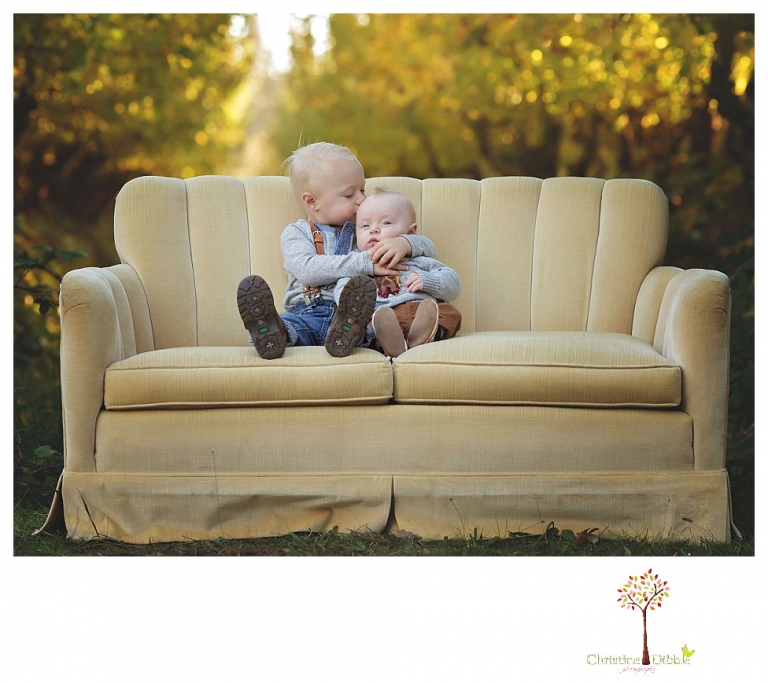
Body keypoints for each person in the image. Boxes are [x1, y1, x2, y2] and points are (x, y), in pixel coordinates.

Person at [237, 142, 438, 359]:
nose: (362, 200)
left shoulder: (365, 231)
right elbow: (308, 270)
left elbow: (428, 250)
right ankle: (270, 330)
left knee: (369, 329)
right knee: (294, 325)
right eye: (350, 194)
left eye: (362, 190)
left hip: (354, 315)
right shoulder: (297, 233)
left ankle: (346, 335)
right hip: (310, 311)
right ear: (312, 201)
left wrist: (407, 243)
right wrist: (366, 263)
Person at [337, 187, 462, 357]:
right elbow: (343, 288)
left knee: (450, 313)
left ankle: (422, 337)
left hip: (422, 313)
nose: (374, 230)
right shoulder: (359, 265)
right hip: (383, 317)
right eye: (365, 225)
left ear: (410, 232)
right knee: (365, 326)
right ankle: (390, 342)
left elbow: (453, 283)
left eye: (386, 223)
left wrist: (427, 280)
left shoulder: (418, 259)